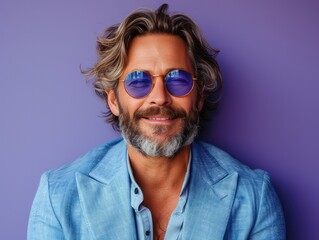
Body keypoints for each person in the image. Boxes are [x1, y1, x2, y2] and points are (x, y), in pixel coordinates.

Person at [28, 4, 285, 240]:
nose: (160, 98)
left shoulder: (253, 197)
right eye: (138, 81)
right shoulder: (58, 196)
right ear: (114, 101)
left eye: (178, 79)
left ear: (198, 98)